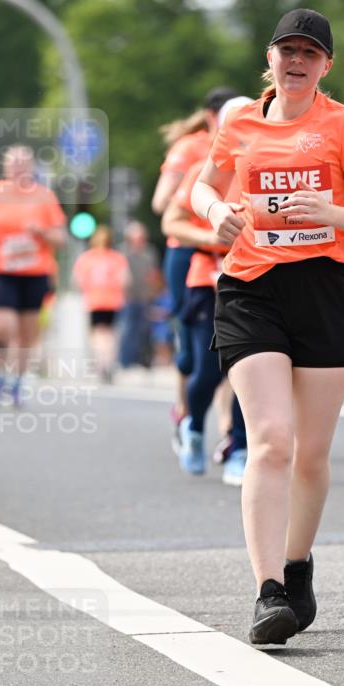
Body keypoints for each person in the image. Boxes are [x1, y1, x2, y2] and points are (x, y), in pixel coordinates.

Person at [191, 8, 344, 647]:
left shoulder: (343, 125)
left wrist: (330, 209)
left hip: (324, 292)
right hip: (250, 289)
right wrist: (218, 209)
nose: (297, 60)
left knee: (311, 451)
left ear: (326, 65)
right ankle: (268, 590)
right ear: (269, 58)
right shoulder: (240, 120)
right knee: (270, 439)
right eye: (286, 50)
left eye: (310, 52)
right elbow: (201, 188)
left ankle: (298, 564)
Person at [162, 98, 253, 486]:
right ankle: (195, 426)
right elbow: (171, 220)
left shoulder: (275, 163)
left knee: (252, 369)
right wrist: (210, 234)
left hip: (256, 277)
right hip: (206, 275)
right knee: (207, 369)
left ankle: (240, 448)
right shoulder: (207, 169)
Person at [153, 88, 237, 446]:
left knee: (234, 339)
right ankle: (184, 408)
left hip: (232, 248)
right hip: (188, 249)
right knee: (191, 348)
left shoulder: (256, 145)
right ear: (211, 118)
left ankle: (227, 430)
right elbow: (161, 204)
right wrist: (202, 196)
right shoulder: (190, 149)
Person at [0, 145, 66, 405]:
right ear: (5, 166)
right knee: (1, 326)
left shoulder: (44, 197)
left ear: (31, 166)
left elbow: (61, 237)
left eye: (23, 162)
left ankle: (16, 384)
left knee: (27, 333)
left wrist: (41, 232)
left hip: (33, 272)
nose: (18, 167)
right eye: (13, 162)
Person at [71, 225, 130, 383]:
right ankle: (109, 362)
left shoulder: (87, 258)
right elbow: (125, 280)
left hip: (94, 300)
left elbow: (77, 280)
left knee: (97, 333)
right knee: (110, 333)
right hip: (113, 300)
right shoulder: (117, 258)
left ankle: (101, 364)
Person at [118, 221, 160, 369]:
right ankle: (125, 361)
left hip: (145, 297)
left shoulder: (149, 252)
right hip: (127, 297)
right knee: (127, 329)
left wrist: (154, 292)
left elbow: (154, 274)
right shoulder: (123, 252)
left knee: (144, 329)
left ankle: (142, 360)